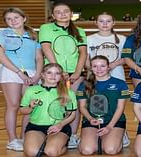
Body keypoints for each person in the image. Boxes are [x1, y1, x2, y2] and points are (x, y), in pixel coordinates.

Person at [0, 7, 43, 151]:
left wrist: (38, 74)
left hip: (32, 73)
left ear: (24, 18)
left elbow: (39, 57)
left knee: (29, 106)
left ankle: (24, 138)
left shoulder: (33, 35)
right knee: (13, 106)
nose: (12, 21)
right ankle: (12, 140)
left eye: (16, 17)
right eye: (9, 19)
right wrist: (18, 72)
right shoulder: (2, 34)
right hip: (10, 72)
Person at [39, 2, 87, 148]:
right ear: (53, 15)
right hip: (53, 72)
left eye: (66, 11)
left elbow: (83, 53)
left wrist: (78, 72)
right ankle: (51, 132)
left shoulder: (80, 31)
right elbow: (46, 48)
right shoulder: (46, 28)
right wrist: (58, 70)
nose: (62, 14)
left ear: (71, 14)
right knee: (55, 102)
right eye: (58, 12)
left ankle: (72, 135)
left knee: (74, 105)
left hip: (74, 74)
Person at [86, 12, 130, 147]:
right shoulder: (89, 39)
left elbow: (125, 58)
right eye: (101, 21)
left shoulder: (122, 39)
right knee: (95, 103)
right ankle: (90, 132)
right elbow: (86, 58)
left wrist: (111, 66)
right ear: (96, 23)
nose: (105, 24)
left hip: (116, 73)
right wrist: (93, 69)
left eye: (108, 21)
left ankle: (121, 132)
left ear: (113, 23)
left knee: (117, 104)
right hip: (95, 75)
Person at [20, 63, 77, 157]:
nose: (53, 76)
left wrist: (60, 124)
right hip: (35, 127)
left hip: (59, 127)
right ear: (42, 75)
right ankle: (45, 142)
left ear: (61, 76)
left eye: (57, 73)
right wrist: (31, 107)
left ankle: (62, 143)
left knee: (51, 152)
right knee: (32, 153)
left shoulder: (68, 93)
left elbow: (72, 114)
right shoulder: (31, 90)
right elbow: (22, 110)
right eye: (49, 72)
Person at [77, 55, 130, 155]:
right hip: (91, 121)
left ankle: (120, 136)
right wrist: (90, 118)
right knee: (87, 150)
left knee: (110, 150)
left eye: (102, 66)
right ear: (91, 68)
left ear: (108, 67)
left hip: (114, 121)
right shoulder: (84, 84)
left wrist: (110, 126)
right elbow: (82, 107)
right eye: (95, 66)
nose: (99, 69)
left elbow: (120, 108)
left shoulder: (120, 83)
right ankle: (85, 138)